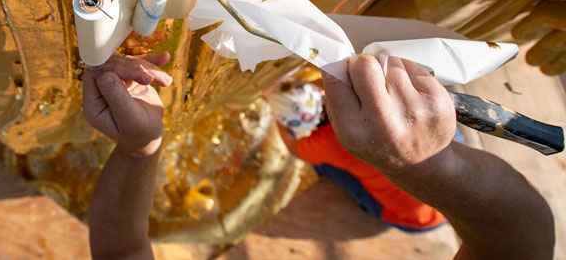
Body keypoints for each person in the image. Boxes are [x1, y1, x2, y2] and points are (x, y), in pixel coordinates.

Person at [82, 53, 555, 260]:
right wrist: (430, 164)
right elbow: (519, 249)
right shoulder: (325, 143)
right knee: (347, 171)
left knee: (334, 170)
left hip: (425, 211)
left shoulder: (315, 144)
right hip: (420, 214)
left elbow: (119, 251)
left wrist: (138, 148)